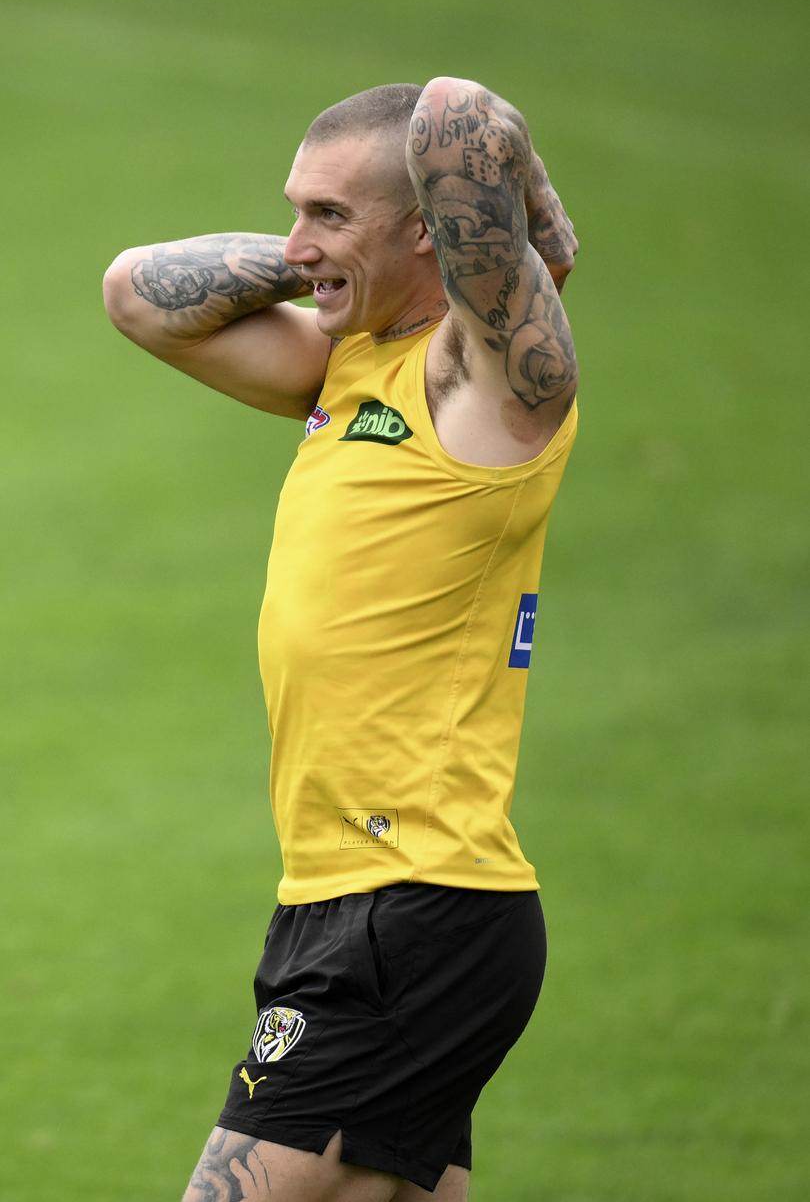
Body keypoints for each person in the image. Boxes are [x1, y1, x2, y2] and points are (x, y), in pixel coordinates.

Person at [103, 76, 579, 1202]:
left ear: (430, 228)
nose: (298, 241)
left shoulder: (494, 387)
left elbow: (457, 118)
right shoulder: (346, 358)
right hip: (347, 896)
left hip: (412, 905)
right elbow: (135, 293)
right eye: (294, 210)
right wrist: (324, 260)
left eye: (329, 214)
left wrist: (534, 229)